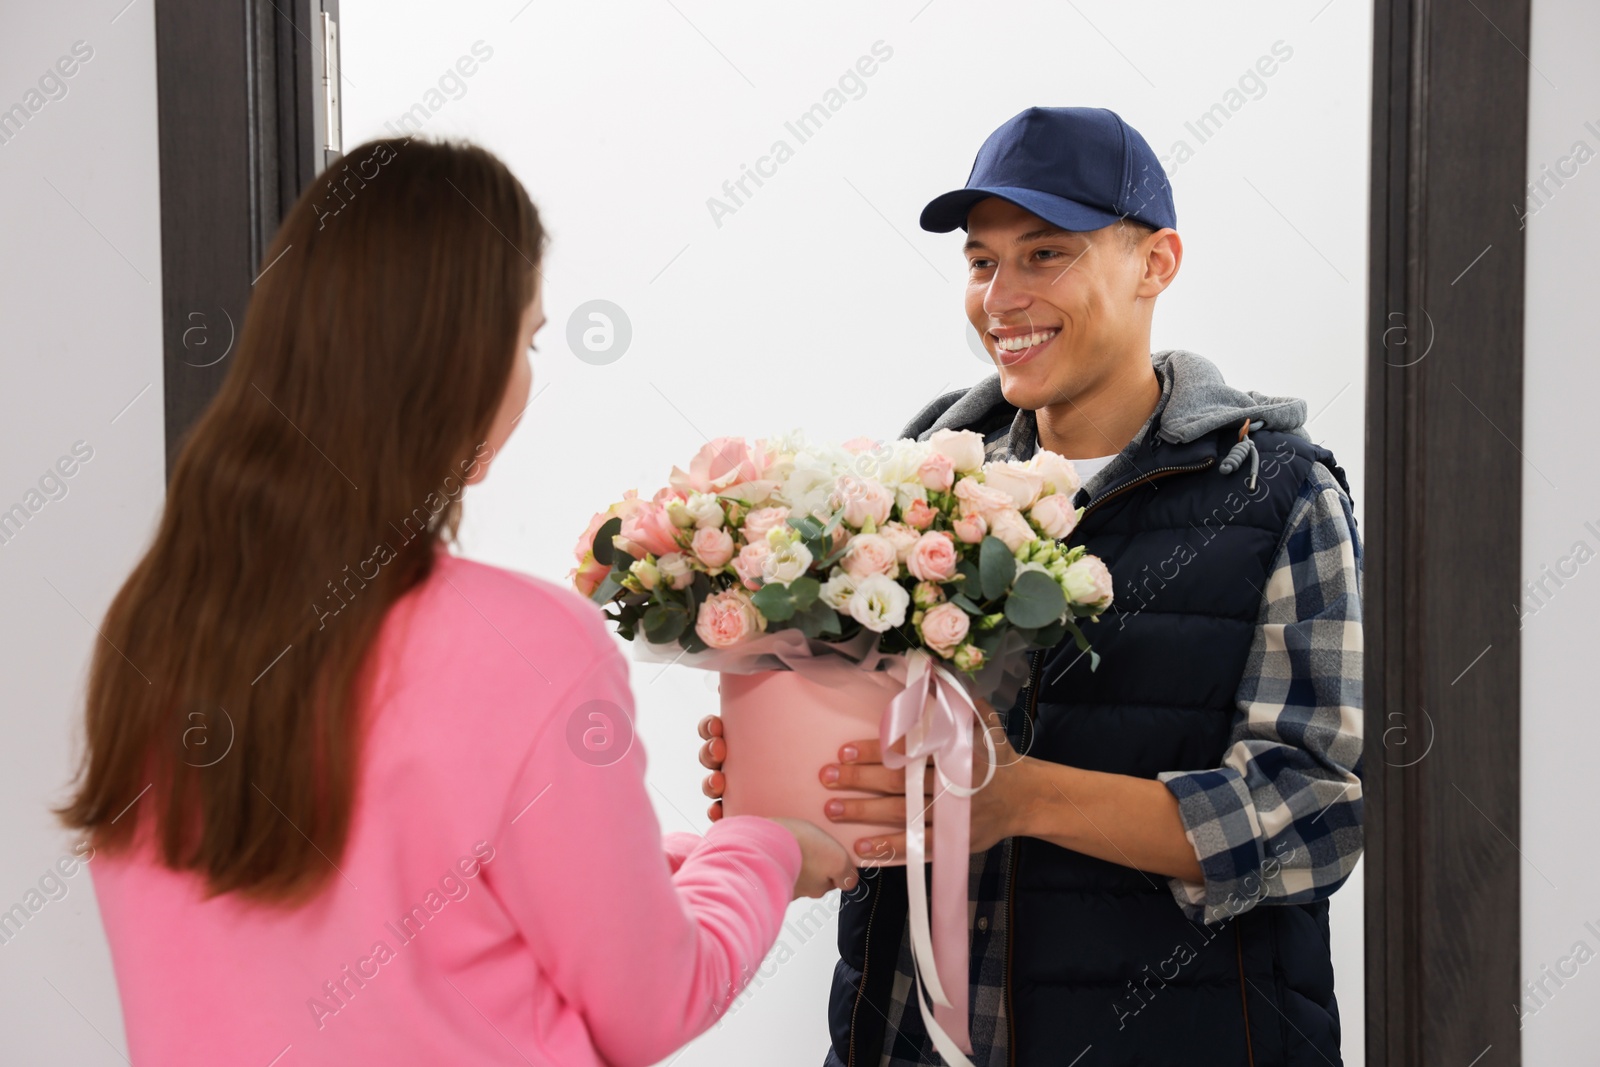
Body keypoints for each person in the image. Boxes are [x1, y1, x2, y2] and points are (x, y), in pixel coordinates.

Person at [58, 137, 854, 1067]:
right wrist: (767, 851)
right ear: (460, 356)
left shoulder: (154, 631)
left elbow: (400, 911)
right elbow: (652, 1005)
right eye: (526, 339)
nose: (525, 375)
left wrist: (667, 863)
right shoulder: (524, 645)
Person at [699, 106, 1364, 1066]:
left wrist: (1021, 798)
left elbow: (1314, 811)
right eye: (981, 263)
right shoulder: (913, 478)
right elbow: (893, 780)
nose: (1001, 297)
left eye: (1045, 254)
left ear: (1156, 262)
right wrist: (804, 787)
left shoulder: (1276, 492)